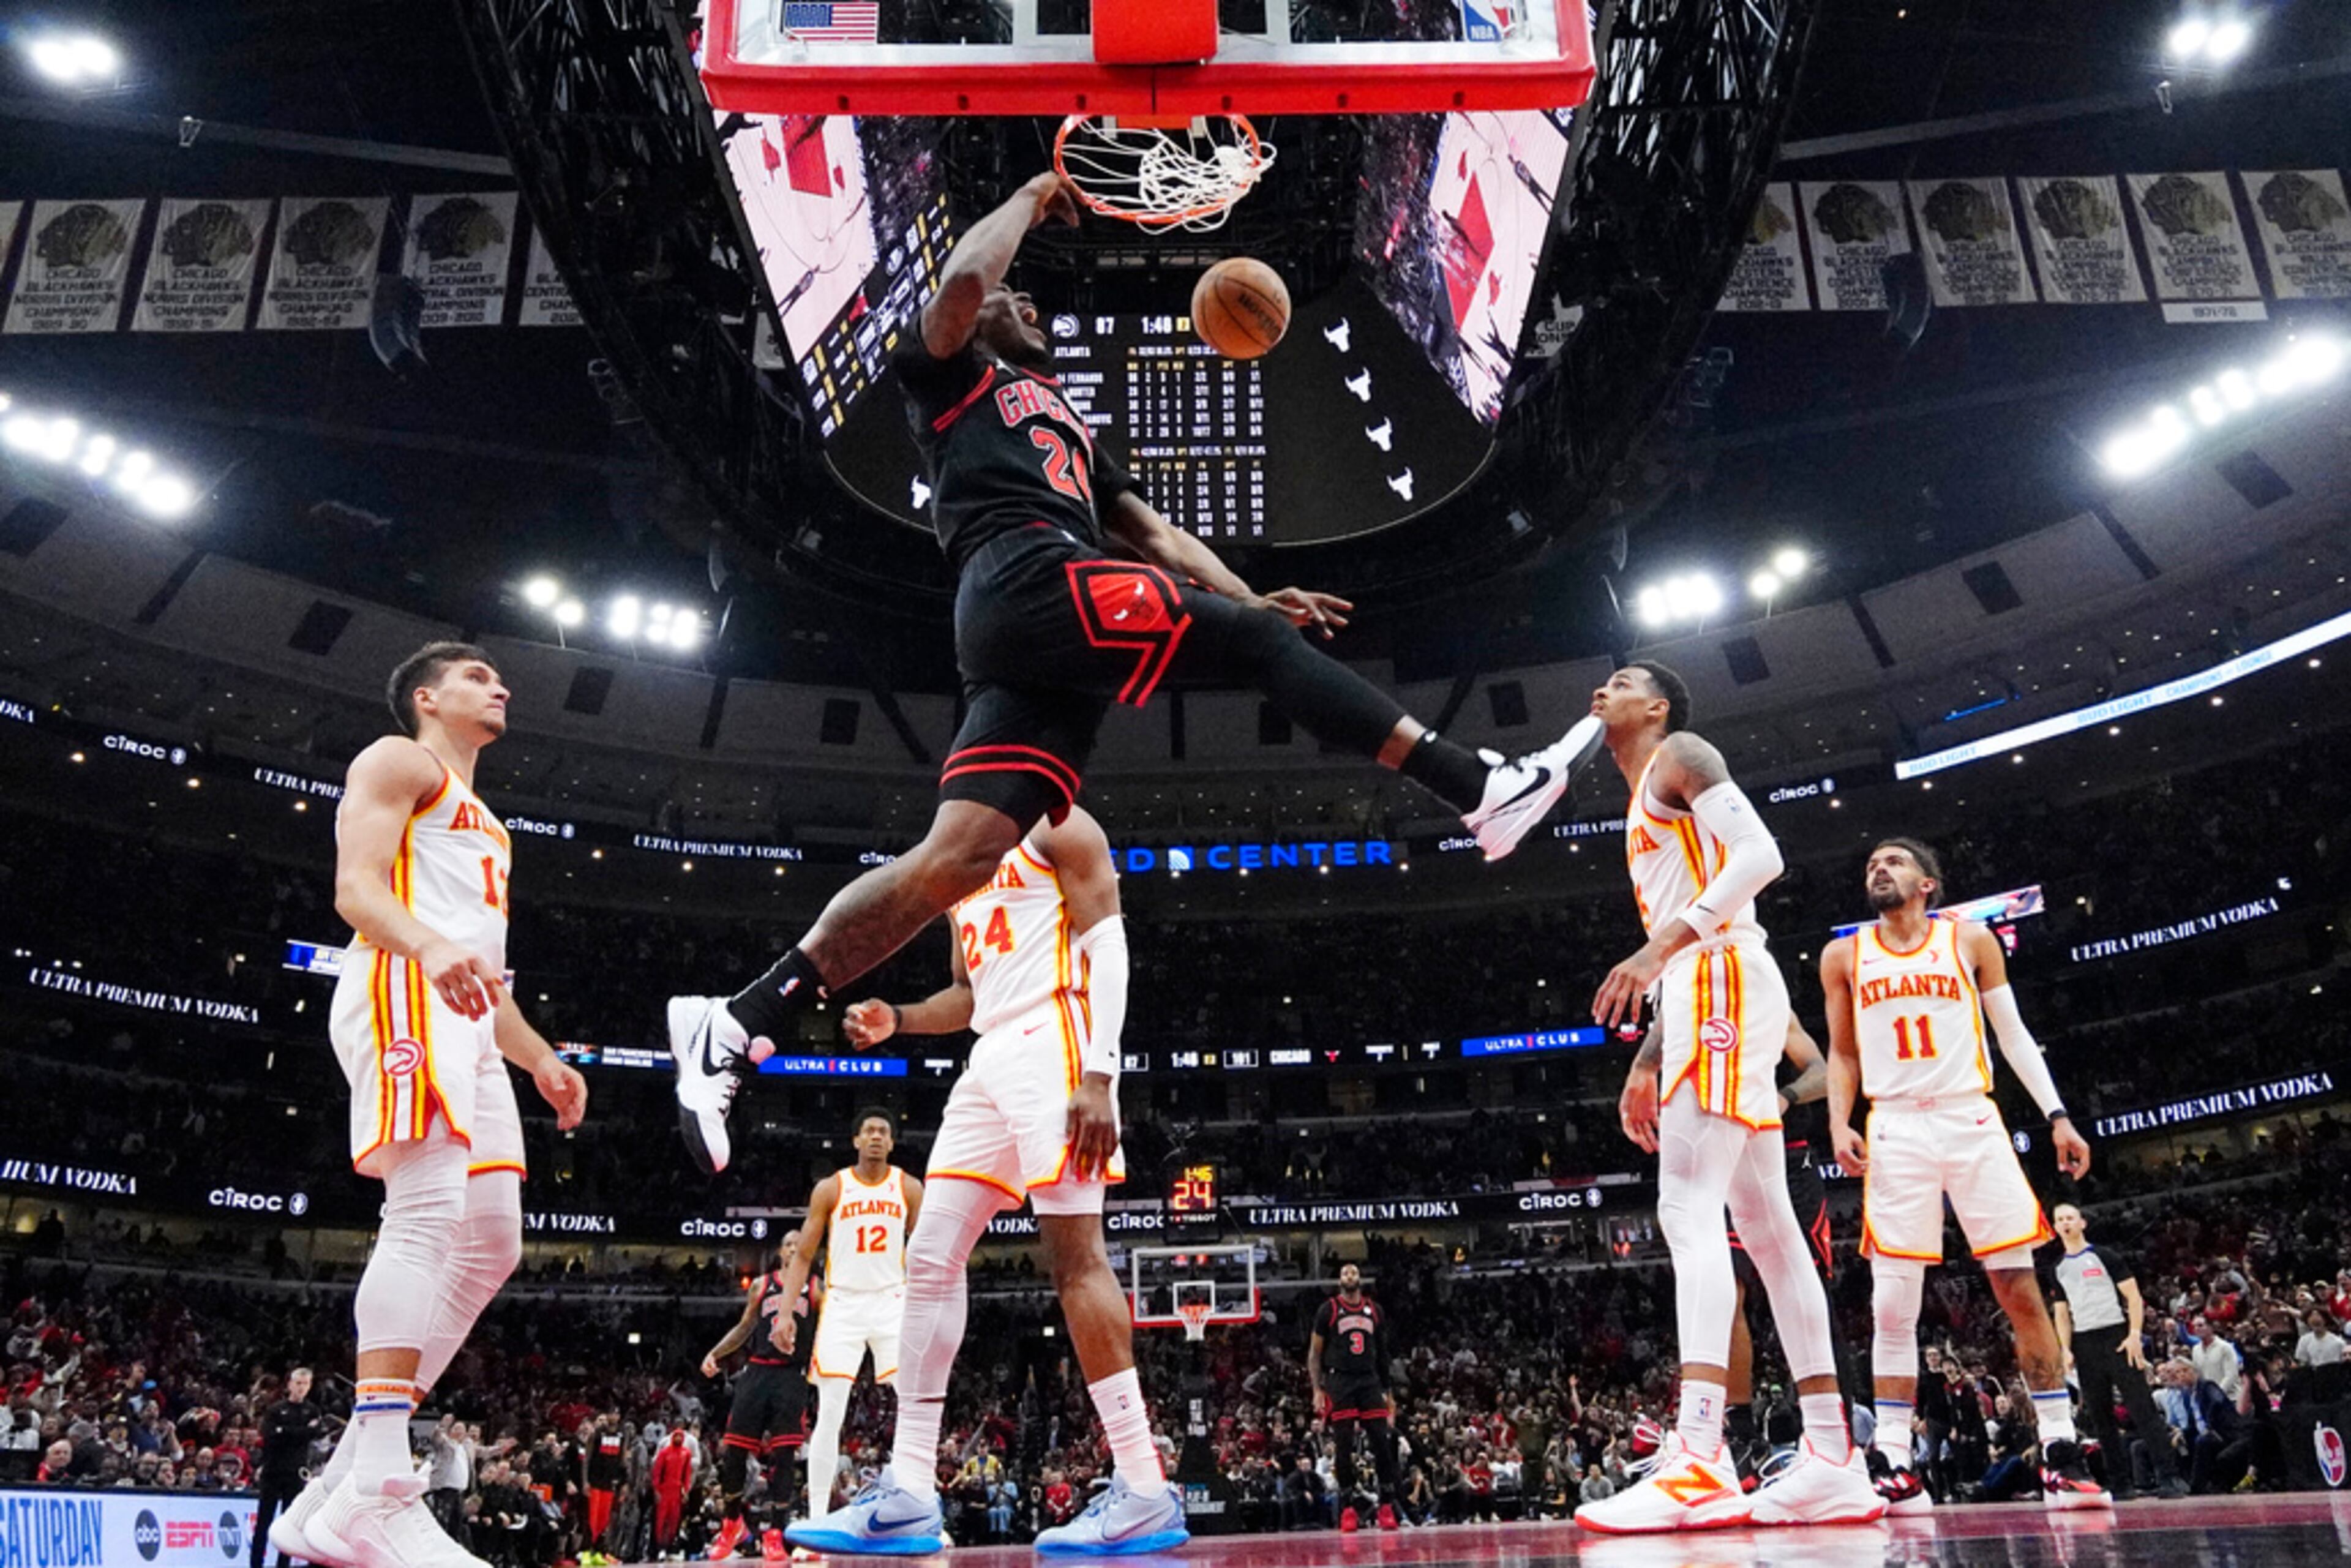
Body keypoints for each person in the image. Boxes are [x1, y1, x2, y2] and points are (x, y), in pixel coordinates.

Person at [667, 171, 1604, 1178]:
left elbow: (1155, 536)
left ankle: (738, 1017)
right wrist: (1031, 196)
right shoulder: (947, 379)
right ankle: (1478, 788)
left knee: (957, 862)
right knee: (1257, 655)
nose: (1027, 302)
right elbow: (963, 286)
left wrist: (1250, 599)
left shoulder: (1069, 425)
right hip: (1028, 577)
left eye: (1028, 297)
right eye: (1014, 298)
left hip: (1031, 629)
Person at [788, 805, 1186, 1557]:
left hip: (1056, 1036)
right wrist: (898, 1018)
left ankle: (1143, 1484)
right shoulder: (964, 861)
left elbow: (1111, 949)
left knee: (1076, 1259)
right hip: (992, 1054)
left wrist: (1101, 1073)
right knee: (930, 1255)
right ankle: (910, 1491)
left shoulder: (1061, 826)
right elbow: (968, 995)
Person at [271, 643, 590, 1568]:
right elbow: (356, 889)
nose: (500, 686)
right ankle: (379, 1486)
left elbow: (484, 970)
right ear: (426, 695)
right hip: (403, 985)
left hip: (469, 1018)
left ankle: (332, 1490)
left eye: (497, 677)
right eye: (476, 676)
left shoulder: (490, 822)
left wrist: (539, 1055)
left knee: (492, 1242)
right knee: (421, 1215)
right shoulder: (399, 759)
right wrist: (427, 946)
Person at [1581, 661, 1880, 1532]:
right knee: (1769, 1228)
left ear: (1657, 704)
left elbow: (1762, 856)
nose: (1601, 691)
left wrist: (1655, 951)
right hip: (1708, 985)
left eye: (1621, 681)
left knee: (1688, 1209)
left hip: (1717, 977)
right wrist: (1647, 1057)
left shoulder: (1680, 751)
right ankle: (1833, 1456)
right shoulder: (1643, 796)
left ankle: (1703, 1455)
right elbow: (1692, 937)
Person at [1823, 836, 2110, 1515]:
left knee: (2019, 1287)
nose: (1879, 869)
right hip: (1895, 1123)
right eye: (1871, 864)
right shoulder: (1844, 955)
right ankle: (1894, 1457)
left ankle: (2061, 1447)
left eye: (1894, 861)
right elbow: (1843, 1051)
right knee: (1893, 1301)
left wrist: (2058, 1114)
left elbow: (2012, 1034)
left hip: (1969, 1116)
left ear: (1928, 882)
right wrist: (1838, 1121)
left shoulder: (1971, 940)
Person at [770, 1109, 924, 1514]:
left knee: (914, 1405)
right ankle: (818, 1519)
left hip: (893, 1299)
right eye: (869, 1131)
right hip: (843, 1301)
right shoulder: (832, 1188)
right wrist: (785, 1313)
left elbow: (926, 1250)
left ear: (892, 1142)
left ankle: (920, 1507)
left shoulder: (909, 1187)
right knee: (830, 1410)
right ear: (856, 1140)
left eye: (883, 1131)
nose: (876, 1137)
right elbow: (804, 1255)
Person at [1709, 1018, 1840, 1484]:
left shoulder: (1770, 1005)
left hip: (1790, 1157)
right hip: (1729, 1156)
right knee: (1727, 1293)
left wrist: (1785, 1096)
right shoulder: (1696, 1006)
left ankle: (1832, 1424)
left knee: (1811, 1290)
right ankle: (1742, 1432)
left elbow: (1825, 1073)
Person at [2044, 1202, 2188, 1499]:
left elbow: (2133, 1297)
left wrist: (2134, 1334)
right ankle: (2120, 1483)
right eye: (2060, 1220)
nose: (2066, 1223)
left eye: (2070, 1218)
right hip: (2085, 1343)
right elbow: (2062, 1313)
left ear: (2082, 1223)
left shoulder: (2105, 1256)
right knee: (2101, 1417)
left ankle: (2169, 1476)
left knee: (2142, 1408)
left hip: (2117, 1336)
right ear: (2055, 1227)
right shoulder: (2057, 1268)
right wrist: (2065, 1349)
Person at [700, 1247, 820, 1559]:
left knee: (785, 1455)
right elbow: (744, 1327)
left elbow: (828, 1328)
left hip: (791, 1374)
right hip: (758, 1371)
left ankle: (776, 1533)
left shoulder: (815, 1287)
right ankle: (732, 1523)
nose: (795, 1248)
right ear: (781, 1252)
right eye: (790, 1244)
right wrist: (716, 1353)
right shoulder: (761, 1285)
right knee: (735, 1449)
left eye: (800, 1244)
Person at [1309, 1263, 1401, 1532]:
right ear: (1340, 1280)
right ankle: (1348, 1508)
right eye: (1345, 1273)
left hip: (1369, 1379)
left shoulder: (1375, 1310)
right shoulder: (1328, 1310)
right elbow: (1315, 1354)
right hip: (1340, 1381)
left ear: (1360, 1278)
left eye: (1353, 1272)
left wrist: (1388, 1392)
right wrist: (1317, 1389)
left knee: (1382, 1442)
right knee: (1343, 1445)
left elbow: (1383, 1353)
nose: (1349, 1276)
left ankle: (1387, 1505)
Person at [252, 1368, 327, 1568]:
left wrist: (286, 1432)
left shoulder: (312, 1410)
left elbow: (315, 1433)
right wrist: (302, 1431)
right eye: (298, 1383)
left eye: (306, 1384)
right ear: (290, 1385)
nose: (301, 1388)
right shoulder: (276, 1410)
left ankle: (283, 1565)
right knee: (264, 1521)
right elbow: (271, 1435)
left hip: (296, 1472)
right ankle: (256, 1563)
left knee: (289, 1524)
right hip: (273, 1470)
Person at [651, 1428, 695, 1555]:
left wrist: (686, 1491)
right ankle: (658, 1546)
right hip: (664, 1490)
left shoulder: (686, 1453)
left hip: (677, 1491)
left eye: (680, 1437)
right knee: (660, 1520)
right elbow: (657, 1472)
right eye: (676, 1436)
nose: (678, 1439)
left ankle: (670, 1545)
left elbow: (687, 1474)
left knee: (674, 1520)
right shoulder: (664, 1453)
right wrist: (656, 1490)